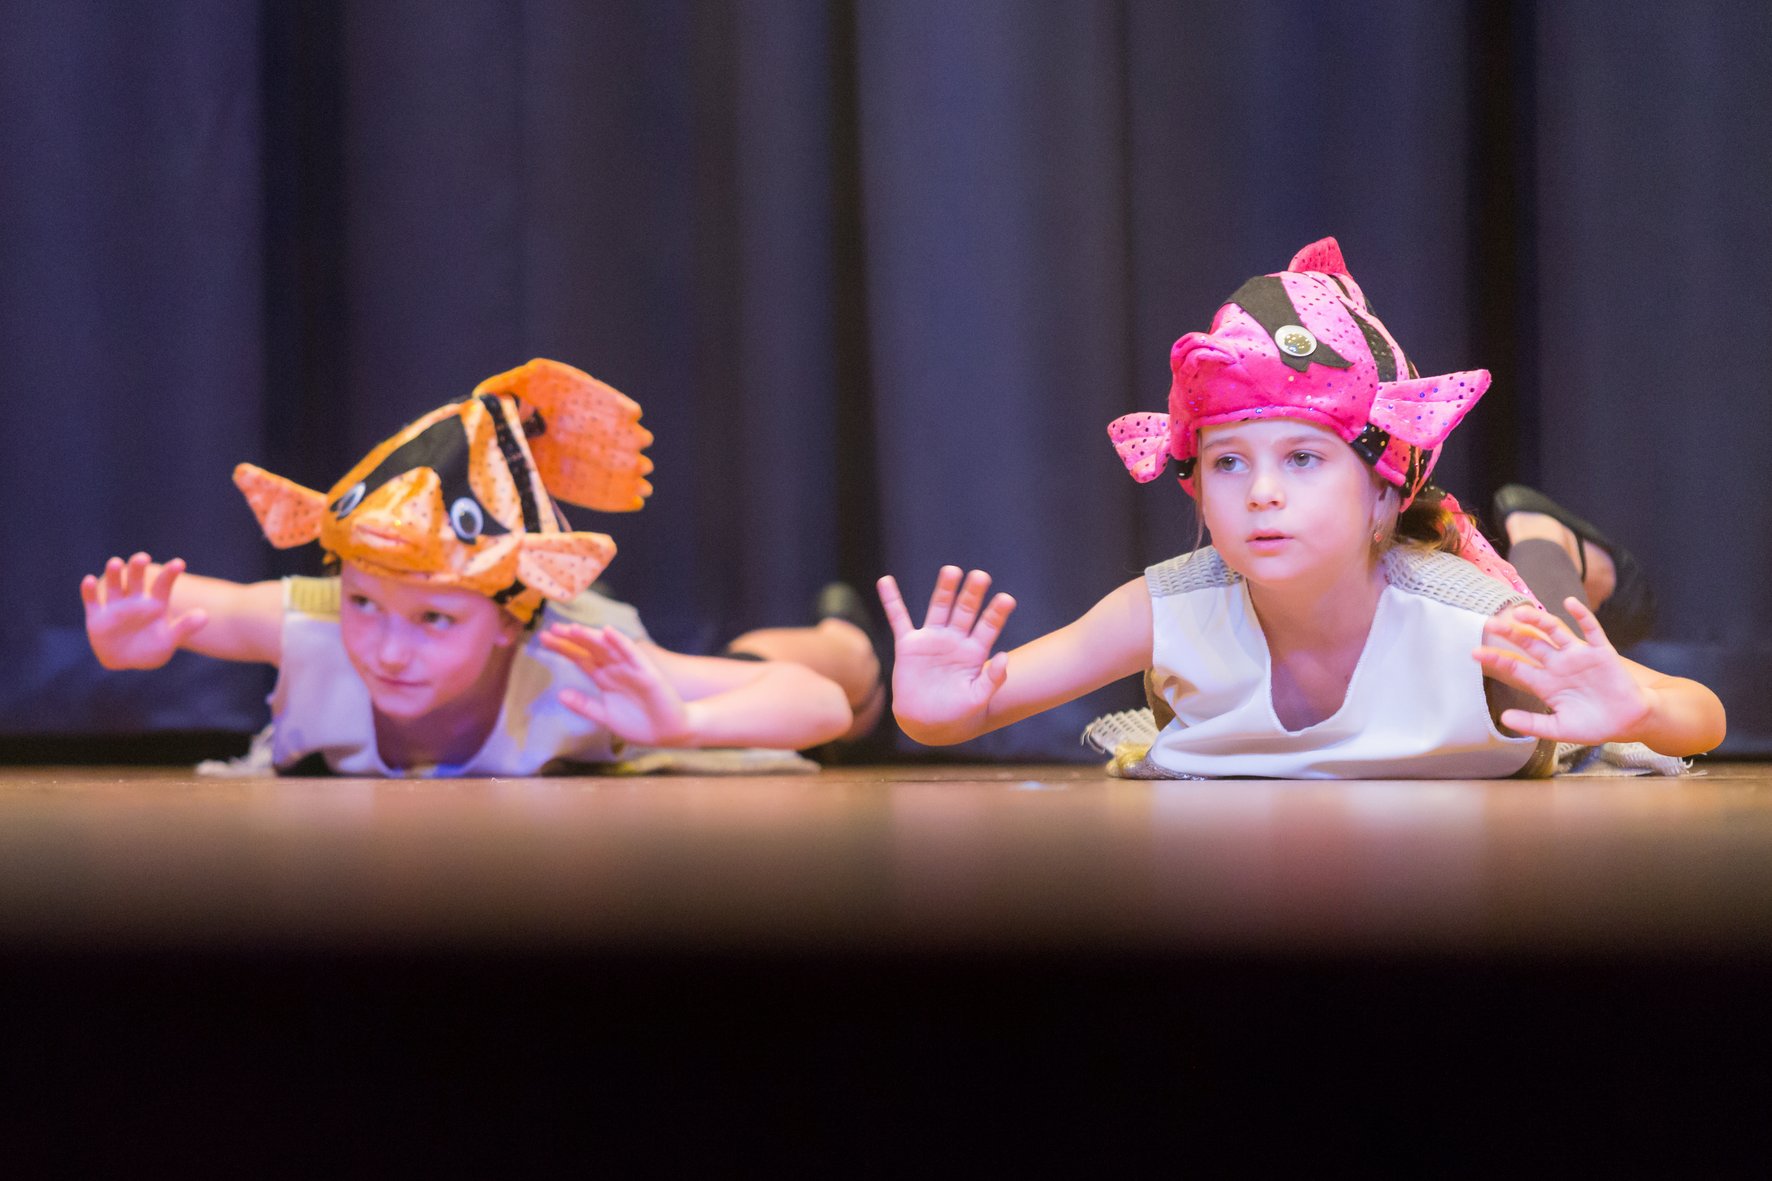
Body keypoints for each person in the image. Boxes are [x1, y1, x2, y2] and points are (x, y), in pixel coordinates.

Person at [876, 239, 1724, 778]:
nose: (1262, 491)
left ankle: (1546, 536)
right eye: (1228, 462)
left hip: (1484, 638)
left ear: (1385, 487)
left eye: (1304, 458)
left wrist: (1641, 711)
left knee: (1552, 623)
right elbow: (974, 708)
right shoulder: (1170, 605)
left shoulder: (1473, 620)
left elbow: (1701, 715)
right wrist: (932, 707)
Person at [81, 358, 880, 776]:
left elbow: (818, 705)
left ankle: (845, 634)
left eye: (434, 617)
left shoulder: (570, 656)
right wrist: (127, 640)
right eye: (364, 603)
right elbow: (180, 603)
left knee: (776, 667)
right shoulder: (312, 622)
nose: (388, 649)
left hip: (568, 635)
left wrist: (685, 724)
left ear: (506, 619)